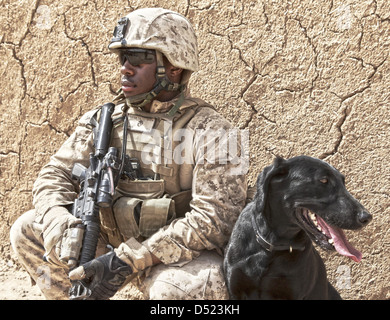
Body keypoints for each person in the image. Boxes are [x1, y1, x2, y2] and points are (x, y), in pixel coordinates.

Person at [10, 8, 247, 300]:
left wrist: (133, 257)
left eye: (138, 58)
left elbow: (215, 221)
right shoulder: (104, 121)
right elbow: (54, 174)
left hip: (173, 257)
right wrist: (58, 218)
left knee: (187, 288)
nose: (125, 67)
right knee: (28, 229)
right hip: (106, 246)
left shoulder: (215, 132)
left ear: (174, 67)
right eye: (122, 58)